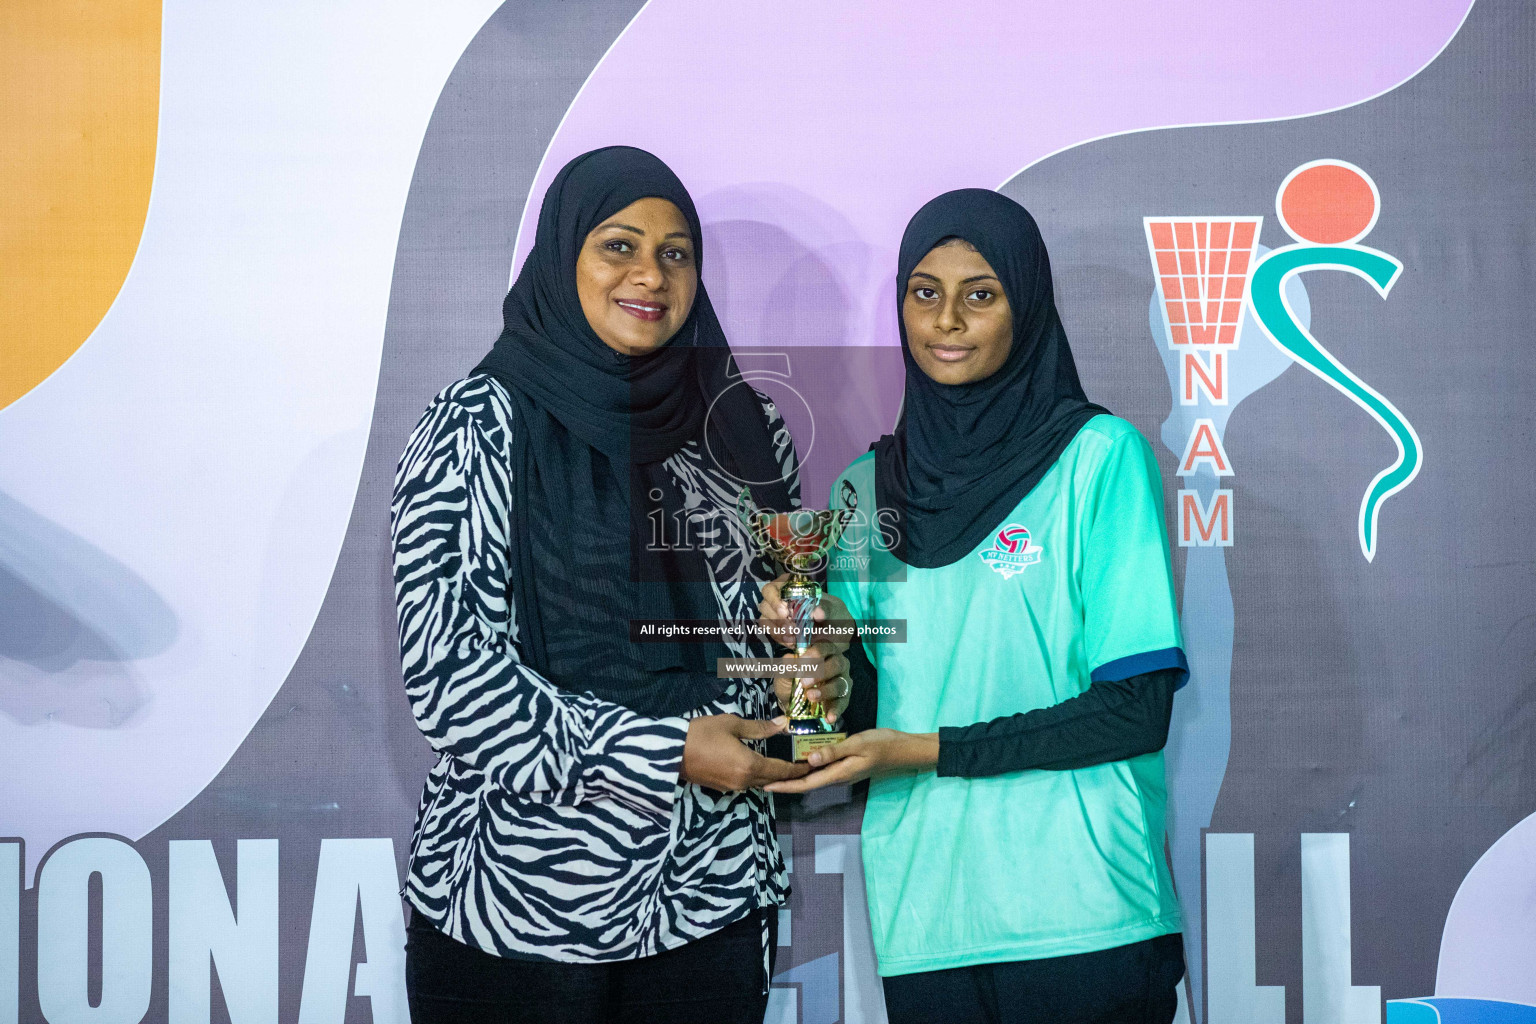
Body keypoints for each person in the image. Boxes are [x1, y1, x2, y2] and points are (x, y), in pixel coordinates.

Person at [389, 146, 849, 1024]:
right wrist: (668, 750)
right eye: (620, 246)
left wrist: (816, 667)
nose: (651, 274)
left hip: (708, 908)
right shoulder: (478, 425)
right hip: (518, 916)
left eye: (676, 253)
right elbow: (453, 684)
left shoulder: (744, 431)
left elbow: (775, 646)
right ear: (565, 259)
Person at [762, 189, 1189, 1024]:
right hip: (930, 919)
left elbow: (1134, 713)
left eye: (979, 294)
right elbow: (853, 716)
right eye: (925, 293)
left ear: (1025, 308)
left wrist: (926, 749)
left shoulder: (1098, 460)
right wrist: (811, 680)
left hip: (1088, 914)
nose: (947, 320)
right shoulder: (862, 491)